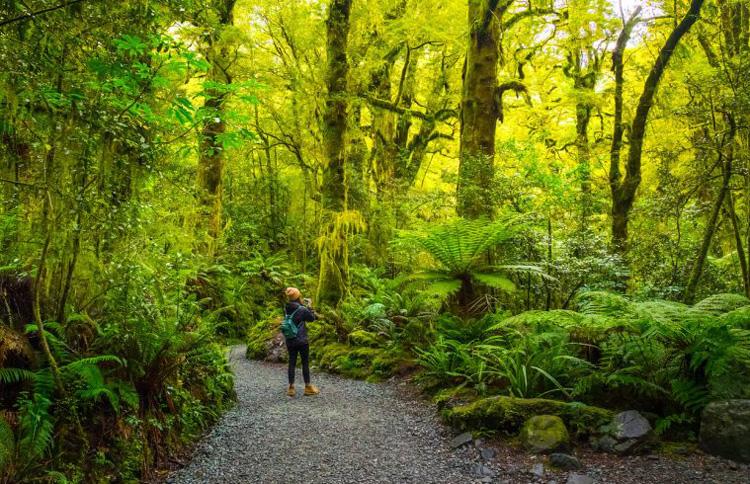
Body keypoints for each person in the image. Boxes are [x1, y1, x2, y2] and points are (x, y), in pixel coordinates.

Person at [283, 287, 320, 397]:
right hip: (302, 340)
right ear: (298, 296)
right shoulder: (302, 309)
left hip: (290, 339)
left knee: (292, 362)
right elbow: (312, 318)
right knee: (305, 363)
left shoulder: (286, 308)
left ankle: (291, 388)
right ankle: (308, 387)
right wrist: (309, 307)